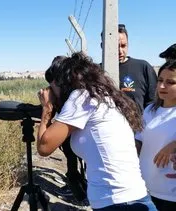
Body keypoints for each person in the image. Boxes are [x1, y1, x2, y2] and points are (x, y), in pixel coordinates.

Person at [37, 52, 157, 210]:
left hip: (117, 202)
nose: (51, 93)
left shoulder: (81, 97)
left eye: (52, 88)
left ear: (63, 83)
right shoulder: (101, 95)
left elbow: (44, 147)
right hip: (130, 197)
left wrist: (46, 109)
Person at [45, 56, 88, 203]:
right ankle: (78, 189)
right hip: (73, 134)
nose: (52, 88)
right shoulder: (78, 92)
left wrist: (46, 108)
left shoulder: (75, 97)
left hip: (75, 135)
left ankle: (78, 192)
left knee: (74, 163)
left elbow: (44, 147)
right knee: (74, 161)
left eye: (54, 84)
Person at [135, 60, 176, 211]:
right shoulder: (150, 110)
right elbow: (139, 138)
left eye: (170, 82)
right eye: (160, 80)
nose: (162, 86)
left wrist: (173, 145)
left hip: (171, 193)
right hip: (145, 187)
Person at [102, 24, 158, 113]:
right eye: (115, 47)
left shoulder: (143, 67)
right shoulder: (97, 72)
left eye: (123, 46)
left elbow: (154, 103)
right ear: (103, 46)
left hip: (137, 126)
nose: (120, 51)